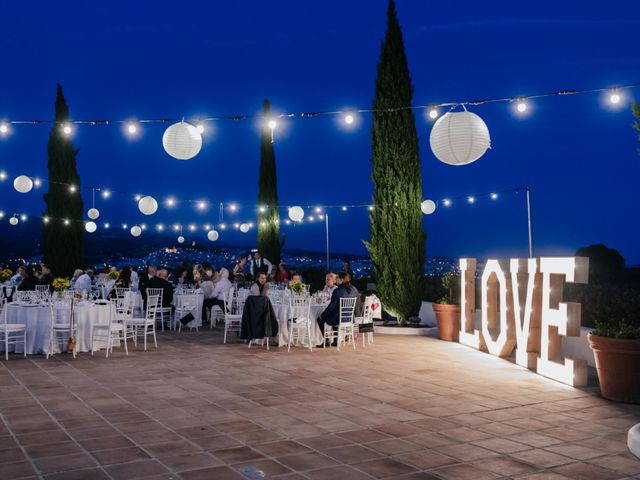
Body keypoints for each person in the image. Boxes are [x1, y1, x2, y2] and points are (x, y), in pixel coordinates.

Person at [317, 271, 359, 347]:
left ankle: (326, 341)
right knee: (334, 314)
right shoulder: (354, 289)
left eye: (337, 278)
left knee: (320, 319)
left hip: (338, 318)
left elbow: (331, 307)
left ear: (342, 280)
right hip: (350, 318)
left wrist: (322, 315)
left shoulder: (337, 291)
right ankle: (336, 341)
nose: (336, 280)